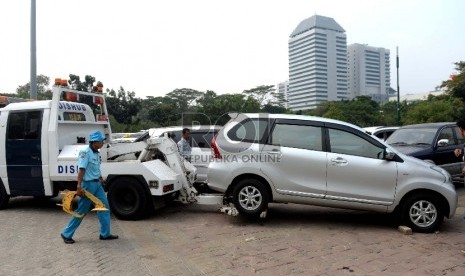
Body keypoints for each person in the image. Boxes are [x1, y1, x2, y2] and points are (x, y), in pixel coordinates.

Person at [60, 130, 118, 244]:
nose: (102, 143)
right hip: (88, 186)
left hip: (97, 184)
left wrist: (101, 179)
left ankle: (105, 234)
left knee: (105, 207)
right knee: (82, 210)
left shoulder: (96, 153)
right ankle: (66, 233)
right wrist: (78, 186)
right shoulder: (85, 152)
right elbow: (81, 170)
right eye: (101, 141)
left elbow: (96, 168)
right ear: (94, 142)